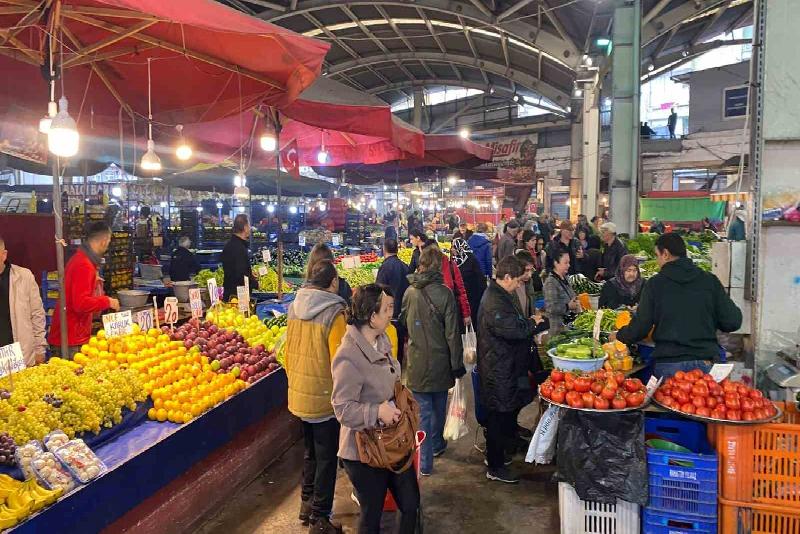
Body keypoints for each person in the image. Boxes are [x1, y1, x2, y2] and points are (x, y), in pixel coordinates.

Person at [331, 285, 419, 534]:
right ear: (372, 316)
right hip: (364, 452)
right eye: (387, 308)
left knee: (411, 503)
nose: (393, 312)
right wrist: (377, 412)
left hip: (392, 442)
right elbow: (342, 409)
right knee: (372, 515)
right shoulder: (348, 356)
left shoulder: (382, 340)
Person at [615, 233, 741, 377]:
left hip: (669, 366)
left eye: (657, 255)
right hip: (705, 365)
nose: (657, 261)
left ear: (666, 254)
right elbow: (733, 322)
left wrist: (619, 335)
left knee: (666, 400)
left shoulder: (655, 284)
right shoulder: (709, 281)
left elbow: (641, 327)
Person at [284, 260, 347, 533]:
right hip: (324, 398)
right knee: (327, 458)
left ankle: (306, 504)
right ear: (332, 282)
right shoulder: (334, 312)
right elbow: (340, 362)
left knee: (310, 452)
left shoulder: (293, 306)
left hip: (299, 394)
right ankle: (320, 519)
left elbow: (287, 350)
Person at [400, 246, 464, 476]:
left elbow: (403, 321)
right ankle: (436, 445)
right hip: (441, 362)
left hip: (417, 362)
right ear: (439, 267)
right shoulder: (445, 294)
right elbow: (452, 334)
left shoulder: (409, 293)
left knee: (422, 414)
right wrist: (457, 364)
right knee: (438, 406)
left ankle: (424, 463)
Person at [478, 256, 539, 484]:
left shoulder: (501, 294)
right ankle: (494, 466)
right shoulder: (495, 300)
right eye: (515, 281)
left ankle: (500, 456)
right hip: (497, 368)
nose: (518, 285)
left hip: (504, 364)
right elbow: (512, 329)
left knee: (504, 414)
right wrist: (532, 324)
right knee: (497, 416)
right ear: (506, 277)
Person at [48, 222, 120, 358]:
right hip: (70, 339)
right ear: (104, 241)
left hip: (70, 334)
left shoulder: (81, 260)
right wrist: (107, 301)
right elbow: (81, 303)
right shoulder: (84, 265)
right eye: (109, 241)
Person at [0, 237, 47, 366]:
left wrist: (40, 348)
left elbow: (37, 314)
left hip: (21, 355)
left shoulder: (24, 277)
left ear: (4, 255)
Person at [376, 239, 410, 362]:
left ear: (384, 249)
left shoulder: (384, 268)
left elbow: (378, 291)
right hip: (403, 314)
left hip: (389, 315)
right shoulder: (405, 267)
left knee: (388, 349)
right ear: (397, 249)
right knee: (400, 347)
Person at [450, 237, 486, 328]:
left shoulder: (471, 258)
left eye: (454, 247)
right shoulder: (453, 260)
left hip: (473, 296)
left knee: (473, 322)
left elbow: (480, 279)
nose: (452, 249)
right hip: (460, 298)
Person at [221, 214, 257, 301]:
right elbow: (240, 274)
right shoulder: (239, 248)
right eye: (249, 225)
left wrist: (250, 275)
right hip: (237, 297)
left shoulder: (229, 245)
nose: (250, 228)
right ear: (245, 227)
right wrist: (255, 283)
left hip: (230, 293)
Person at [543, 250, 580, 336]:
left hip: (567, 327)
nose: (569, 265)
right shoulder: (551, 282)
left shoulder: (565, 278)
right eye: (566, 263)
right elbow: (551, 307)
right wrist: (568, 306)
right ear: (556, 263)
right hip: (557, 329)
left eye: (569, 262)